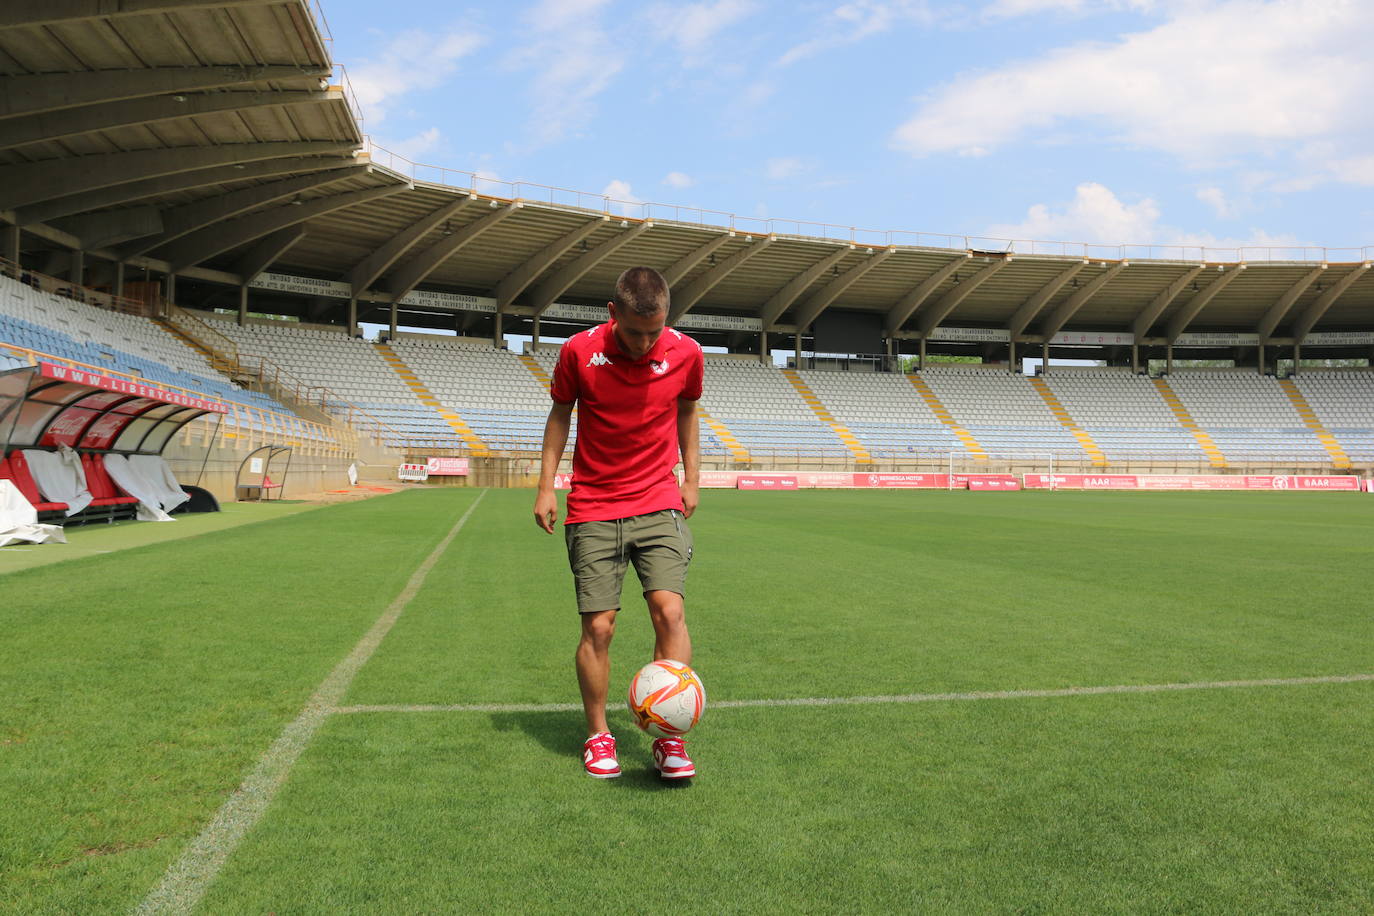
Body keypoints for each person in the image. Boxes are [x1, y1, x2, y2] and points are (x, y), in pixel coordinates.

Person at [533, 265, 702, 780]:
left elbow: (689, 411)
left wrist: (691, 477)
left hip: (658, 498)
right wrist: (546, 485)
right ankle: (599, 734)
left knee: (669, 612)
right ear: (612, 315)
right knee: (599, 626)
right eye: (634, 332)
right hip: (595, 503)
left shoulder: (686, 352)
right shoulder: (579, 351)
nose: (644, 342)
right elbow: (561, 412)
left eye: (655, 331)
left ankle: (668, 738)